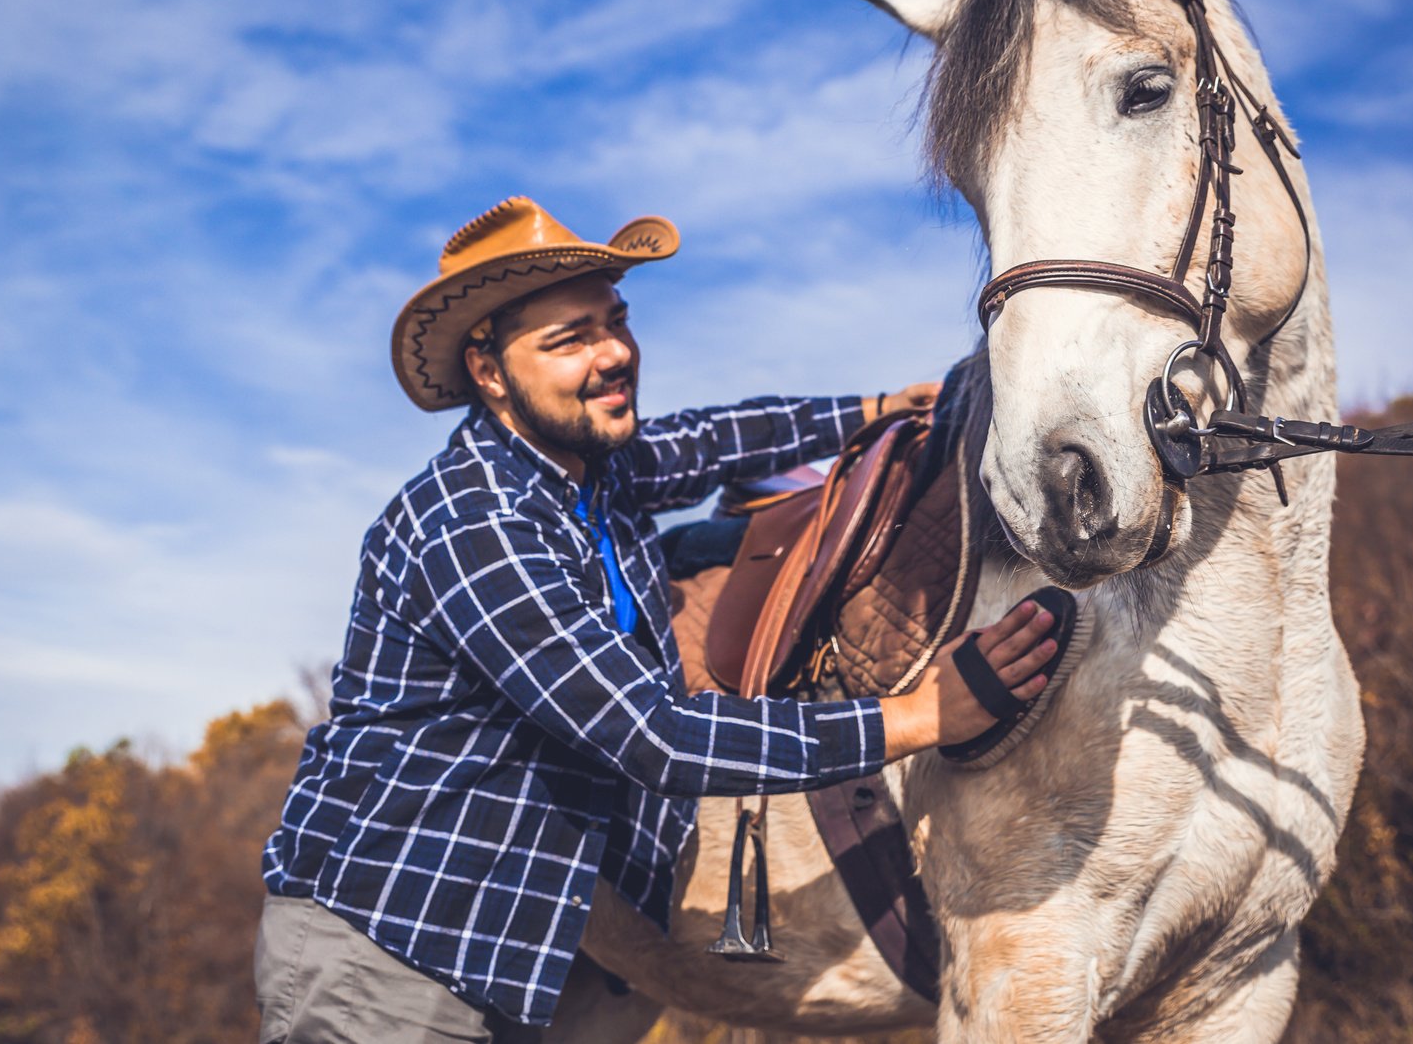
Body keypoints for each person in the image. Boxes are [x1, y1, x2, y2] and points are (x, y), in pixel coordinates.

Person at [255, 197, 1059, 1042]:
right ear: (490, 372)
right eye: (569, 339)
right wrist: (919, 716)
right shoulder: (472, 524)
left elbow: (711, 439)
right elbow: (657, 736)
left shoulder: (592, 469)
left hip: (523, 946)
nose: (612, 356)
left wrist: (874, 409)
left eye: (616, 322)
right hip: (394, 951)